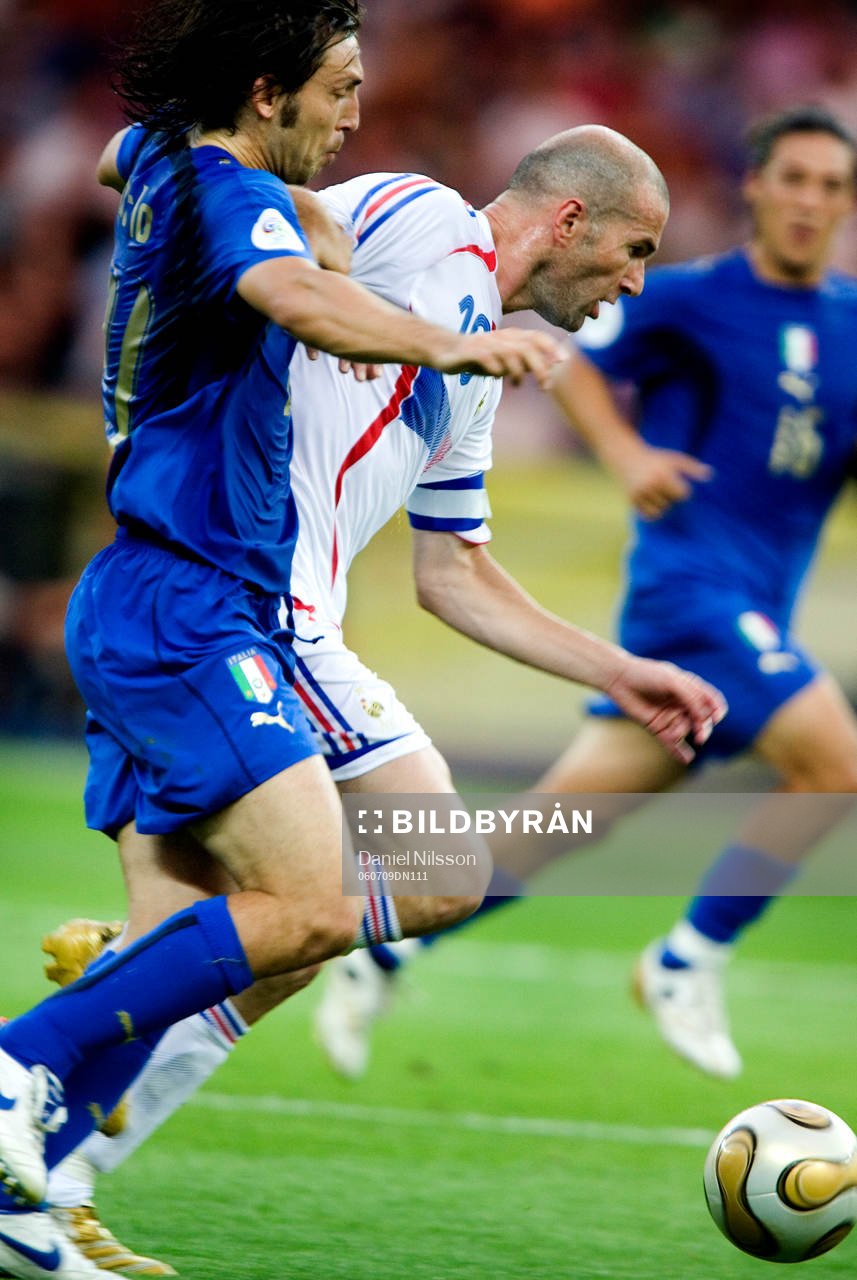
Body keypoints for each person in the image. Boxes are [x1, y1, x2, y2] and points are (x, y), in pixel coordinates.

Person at [34, 126, 727, 1275]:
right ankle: (135, 977)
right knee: (431, 870)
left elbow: (449, 571)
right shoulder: (417, 219)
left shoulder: (474, 374)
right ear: (566, 222)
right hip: (244, 597)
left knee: (294, 942)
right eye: (633, 249)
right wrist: (151, 155)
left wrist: (615, 669)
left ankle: (68, 1153)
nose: (635, 280)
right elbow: (271, 211)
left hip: (309, 627)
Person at [0, 2, 569, 1276]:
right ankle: (24, 1059)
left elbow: (117, 159)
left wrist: (297, 220)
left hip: (168, 589)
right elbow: (283, 292)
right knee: (313, 903)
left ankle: (37, 1188)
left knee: (227, 932)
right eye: (338, 88)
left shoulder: (161, 159)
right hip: (200, 596)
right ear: (267, 92)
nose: (354, 115)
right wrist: (448, 341)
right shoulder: (230, 191)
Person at [310, 103, 857, 1087]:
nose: (808, 201)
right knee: (835, 761)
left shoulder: (849, 326)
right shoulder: (693, 297)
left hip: (753, 609)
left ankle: (378, 942)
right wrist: (624, 453)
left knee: (547, 824)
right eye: (793, 178)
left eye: (829, 185)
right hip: (688, 592)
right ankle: (686, 960)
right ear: (755, 188)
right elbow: (572, 361)